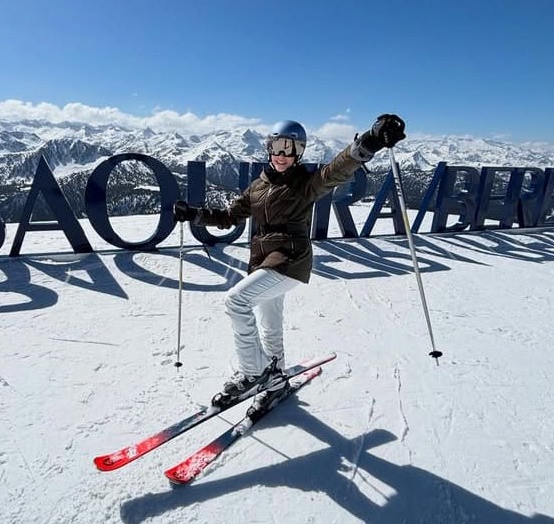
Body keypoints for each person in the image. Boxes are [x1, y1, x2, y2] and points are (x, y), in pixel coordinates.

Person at [174, 114, 406, 409]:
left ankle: (253, 373)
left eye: (290, 148)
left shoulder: (305, 185)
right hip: (263, 261)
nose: (282, 155)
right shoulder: (258, 186)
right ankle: (275, 377)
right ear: (268, 148)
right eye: (277, 146)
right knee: (270, 324)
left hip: (290, 260)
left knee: (236, 301)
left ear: (300, 152)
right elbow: (228, 216)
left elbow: (336, 171)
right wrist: (194, 214)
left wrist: (368, 142)